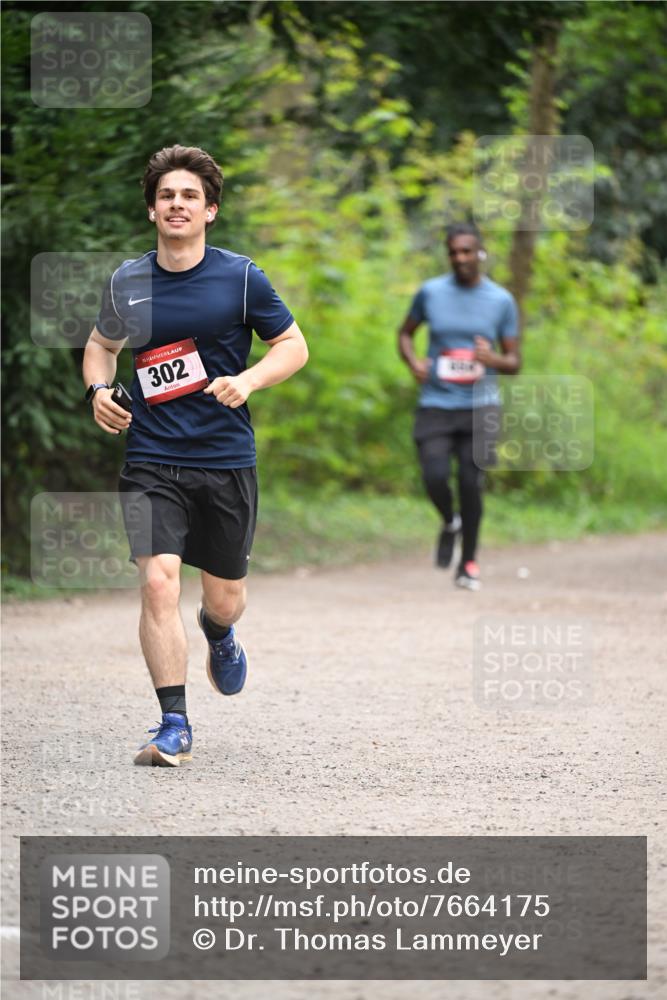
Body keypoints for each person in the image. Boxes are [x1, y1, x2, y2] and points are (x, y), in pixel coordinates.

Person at [82, 145, 308, 766]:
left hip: (225, 457)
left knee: (226, 596)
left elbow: (293, 345)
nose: (176, 204)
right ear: (151, 210)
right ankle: (173, 723)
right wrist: (98, 390)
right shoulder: (127, 281)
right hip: (151, 456)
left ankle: (219, 630)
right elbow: (101, 346)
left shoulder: (241, 278)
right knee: (158, 580)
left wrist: (250, 380)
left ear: (210, 210)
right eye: (166, 196)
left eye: (189, 196)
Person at [398, 222, 520, 591]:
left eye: (467, 251)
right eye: (453, 252)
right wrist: (414, 362)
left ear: (480, 253)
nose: (460, 258)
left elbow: (514, 362)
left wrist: (492, 359)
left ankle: (468, 562)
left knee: (470, 482)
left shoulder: (501, 300)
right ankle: (451, 521)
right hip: (436, 401)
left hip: (481, 407)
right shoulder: (431, 292)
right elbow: (405, 333)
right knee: (434, 475)